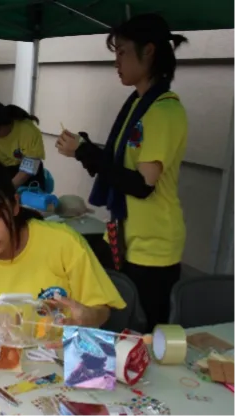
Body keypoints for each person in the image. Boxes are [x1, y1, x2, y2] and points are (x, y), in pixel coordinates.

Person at [55, 14, 188, 332]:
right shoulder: (137, 104)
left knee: (147, 335)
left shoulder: (163, 111)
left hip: (152, 246)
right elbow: (118, 168)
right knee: (119, 328)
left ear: (150, 51)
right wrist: (85, 150)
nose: (117, 62)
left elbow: (142, 185)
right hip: (124, 236)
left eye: (123, 52)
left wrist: (86, 153)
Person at [0, 156, 126, 347]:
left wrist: (87, 316)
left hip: (65, 361)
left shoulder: (63, 242)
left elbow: (102, 309)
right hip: (3, 366)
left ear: (14, 205)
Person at [0, 100, 45, 190]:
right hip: (2, 170)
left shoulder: (28, 132)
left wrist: (8, 189)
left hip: (27, 175)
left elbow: (29, 169)